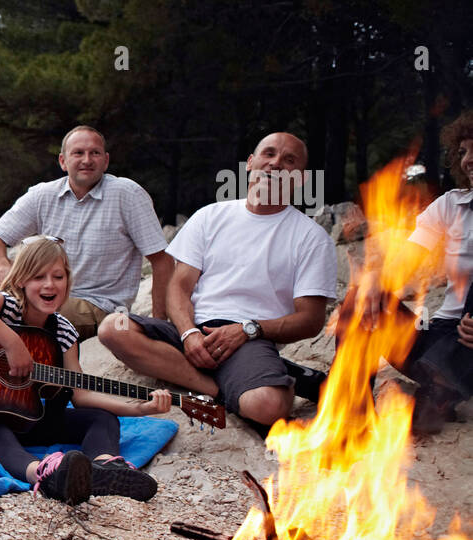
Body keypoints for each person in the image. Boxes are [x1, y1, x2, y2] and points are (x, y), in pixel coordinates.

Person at [98, 132, 338, 428]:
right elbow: (179, 286)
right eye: (269, 154)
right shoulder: (210, 216)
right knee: (113, 328)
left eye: (289, 161)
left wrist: (247, 330)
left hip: (251, 339)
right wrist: (188, 333)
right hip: (192, 329)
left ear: (301, 179)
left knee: (268, 406)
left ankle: (257, 376)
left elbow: (311, 320)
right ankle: (216, 390)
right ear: (251, 163)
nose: (275, 164)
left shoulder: (312, 238)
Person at [0, 238, 171, 504]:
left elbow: (81, 395)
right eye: (38, 276)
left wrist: (139, 409)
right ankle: (44, 473)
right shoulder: (6, 306)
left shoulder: (64, 331)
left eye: (58, 276)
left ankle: (105, 469)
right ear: (20, 280)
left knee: (103, 418)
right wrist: (12, 343)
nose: (49, 284)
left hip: (29, 416)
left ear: (67, 282)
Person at [0, 126, 173, 340]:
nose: (87, 160)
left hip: (96, 304)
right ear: (63, 161)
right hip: (44, 289)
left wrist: (158, 325)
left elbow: (162, 261)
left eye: (94, 153)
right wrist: (4, 268)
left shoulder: (128, 194)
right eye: (78, 153)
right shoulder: (43, 194)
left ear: (105, 161)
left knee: (34, 304)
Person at [342, 111, 473, 434]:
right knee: (364, 294)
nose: (469, 160)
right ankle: (353, 413)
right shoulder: (451, 207)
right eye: (463, 151)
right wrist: (375, 280)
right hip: (440, 340)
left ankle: (440, 392)